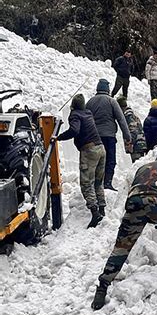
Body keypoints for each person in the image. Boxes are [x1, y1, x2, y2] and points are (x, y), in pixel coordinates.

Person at [91, 146, 157, 310]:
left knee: (121, 247)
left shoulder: (143, 168)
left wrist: (146, 215)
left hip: (134, 203)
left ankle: (102, 287)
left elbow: (139, 191)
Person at [55, 94, 106, 227]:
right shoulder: (88, 113)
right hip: (101, 148)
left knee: (86, 183)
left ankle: (95, 214)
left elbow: (74, 130)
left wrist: (58, 137)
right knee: (98, 181)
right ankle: (102, 210)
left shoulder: (75, 115)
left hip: (89, 151)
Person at [86, 79, 132, 191]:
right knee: (110, 159)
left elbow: (85, 119)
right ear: (107, 89)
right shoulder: (112, 101)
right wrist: (127, 136)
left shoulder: (90, 102)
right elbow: (121, 119)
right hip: (109, 137)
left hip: (94, 137)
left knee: (96, 160)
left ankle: (96, 183)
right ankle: (107, 182)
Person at [116, 96, 147, 163]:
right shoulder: (133, 115)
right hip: (140, 144)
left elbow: (134, 130)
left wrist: (129, 142)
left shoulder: (128, 116)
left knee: (136, 165)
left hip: (137, 146)